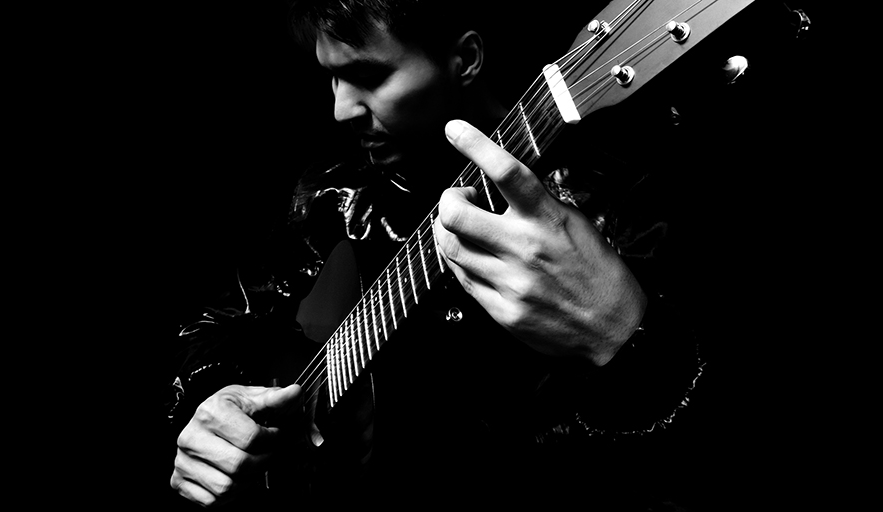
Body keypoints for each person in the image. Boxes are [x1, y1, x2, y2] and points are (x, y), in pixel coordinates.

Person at [162, 0, 830, 510]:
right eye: (332, 80)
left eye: (367, 76)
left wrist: (627, 338)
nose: (341, 110)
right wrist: (215, 401)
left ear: (466, 59)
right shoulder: (335, 194)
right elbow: (216, 325)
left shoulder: (627, 208)